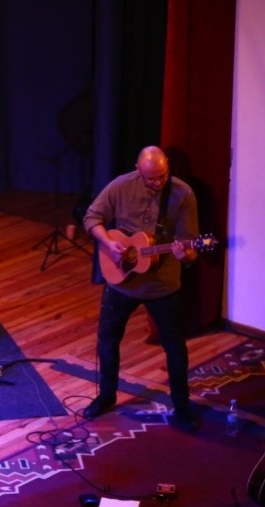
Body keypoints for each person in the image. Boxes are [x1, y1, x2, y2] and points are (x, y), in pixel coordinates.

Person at [82, 145, 200, 431]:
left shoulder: (182, 194)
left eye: (162, 176)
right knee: (107, 340)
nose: (157, 183)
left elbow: (190, 248)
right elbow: (91, 218)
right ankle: (106, 395)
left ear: (167, 166)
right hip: (121, 280)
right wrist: (108, 243)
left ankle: (182, 407)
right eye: (150, 179)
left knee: (174, 347)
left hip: (162, 286)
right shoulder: (121, 186)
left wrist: (186, 254)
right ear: (138, 170)